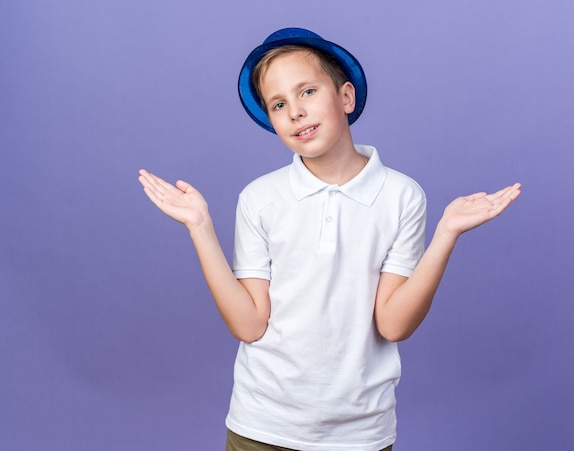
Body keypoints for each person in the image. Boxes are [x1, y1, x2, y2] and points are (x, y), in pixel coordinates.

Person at [138, 27, 521, 451]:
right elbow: (249, 324)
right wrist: (200, 228)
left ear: (345, 98)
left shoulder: (401, 196)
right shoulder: (260, 198)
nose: (295, 112)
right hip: (262, 426)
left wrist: (446, 233)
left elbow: (394, 323)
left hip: (359, 433)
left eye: (307, 92)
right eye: (279, 104)